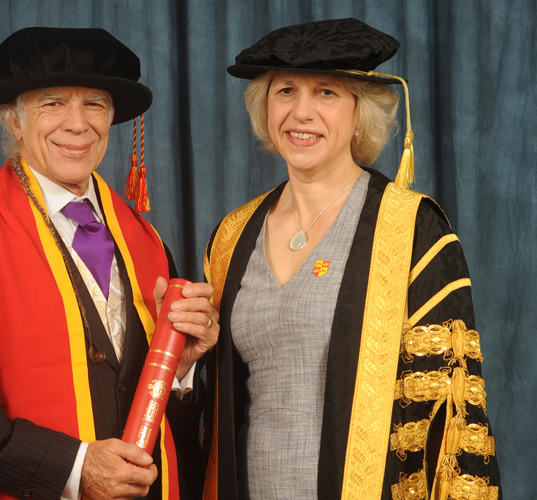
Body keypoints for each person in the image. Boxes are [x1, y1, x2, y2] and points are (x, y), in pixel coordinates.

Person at [0, 27, 218, 500]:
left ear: (111, 118)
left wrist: (178, 369)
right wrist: (74, 469)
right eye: (53, 103)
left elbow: (164, 419)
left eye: (94, 104)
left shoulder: (146, 242)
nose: (78, 124)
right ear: (15, 122)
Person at [202, 18, 501, 500]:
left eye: (326, 93)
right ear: (264, 107)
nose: (301, 112)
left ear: (361, 110)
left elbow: (449, 415)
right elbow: (218, 406)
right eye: (285, 92)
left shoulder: (411, 229)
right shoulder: (232, 237)